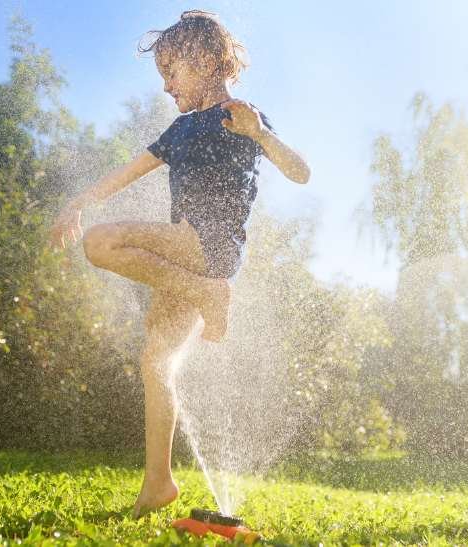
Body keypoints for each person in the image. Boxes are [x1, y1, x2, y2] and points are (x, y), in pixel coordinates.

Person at [48, 10, 310, 518]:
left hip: (208, 246)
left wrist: (260, 135)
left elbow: (299, 172)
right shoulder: (178, 130)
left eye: (173, 71)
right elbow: (125, 174)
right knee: (155, 361)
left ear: (211, 61)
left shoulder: (241, 114)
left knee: (100, 243)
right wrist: (77, 201)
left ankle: (208, 293)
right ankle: (157, 483)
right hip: (190, 260)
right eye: (162, 75)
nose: (167, 85)